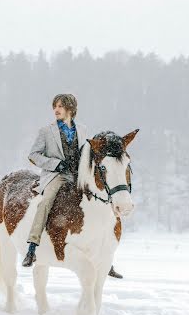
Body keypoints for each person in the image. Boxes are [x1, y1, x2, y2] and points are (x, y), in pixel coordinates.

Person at [22, 93, 124, 279]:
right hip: (56, 175)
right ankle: (32, 246)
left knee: (102, 198)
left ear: (70, 108)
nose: (56, 109)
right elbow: (33, 155)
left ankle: (106, 256)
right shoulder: (46, 131)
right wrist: (56, 164)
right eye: (55, 106)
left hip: (78, 175)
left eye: (60, 106)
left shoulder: (83, 130)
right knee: (46, 202)